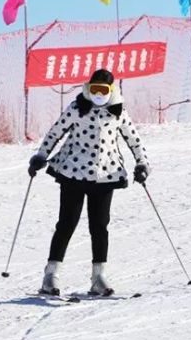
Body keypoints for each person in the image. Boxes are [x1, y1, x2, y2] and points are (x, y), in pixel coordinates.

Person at [27, 69, 150, 297]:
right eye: (94, 89)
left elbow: (134, 139)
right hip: (73, 171)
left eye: (103, 90)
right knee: (67, 222)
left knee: (99, 225)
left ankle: (98, 277)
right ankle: (50, 275)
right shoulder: (77, 107)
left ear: (112, 90)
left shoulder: (118, 112)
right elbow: (56, 132)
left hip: (105, 175)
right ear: (88, 87)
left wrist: (142, 163)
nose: (98, 94)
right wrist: (41, 156)